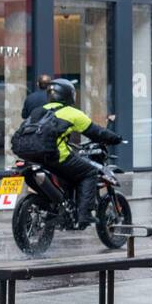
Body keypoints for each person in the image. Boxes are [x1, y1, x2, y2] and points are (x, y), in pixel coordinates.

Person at [34, 78, 122, 228]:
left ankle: (61, 207)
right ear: (69, 95)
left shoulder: (38, 111)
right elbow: (96, 132)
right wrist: (115, 138)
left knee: (70, 174)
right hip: (55, 157)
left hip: (33, 156)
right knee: (90, 172)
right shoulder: (71, 113)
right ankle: (85, 214)